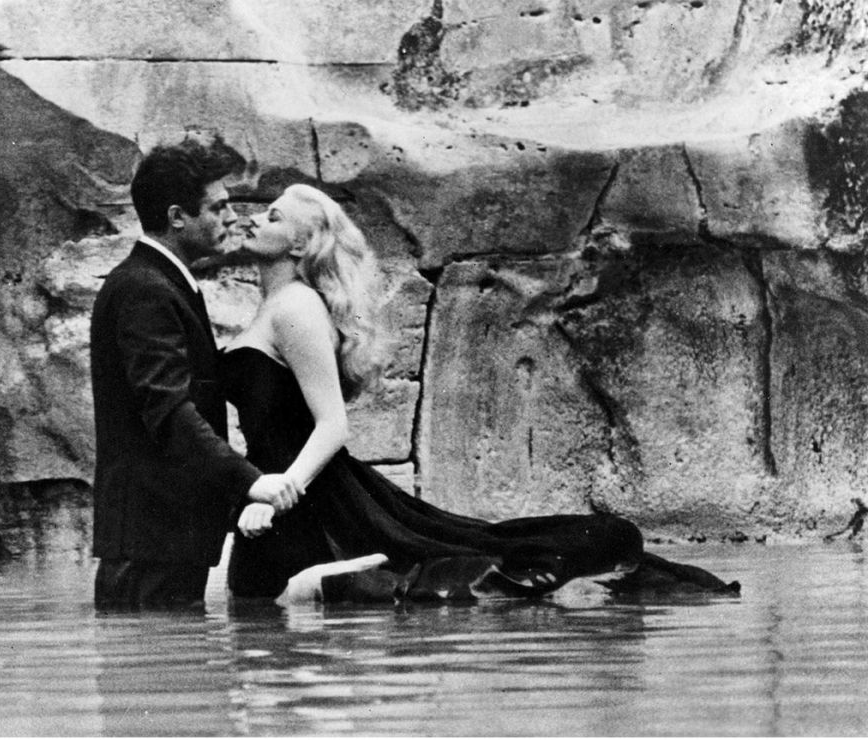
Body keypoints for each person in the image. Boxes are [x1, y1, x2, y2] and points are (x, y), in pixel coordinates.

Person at [221, 183, 738, 602]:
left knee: (287, 596)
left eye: (272, 216)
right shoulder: (276, 305)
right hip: (287, 489)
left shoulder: (295, 307)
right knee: (258, 596)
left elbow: (333, 424)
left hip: (303, 492)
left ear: (299, 245)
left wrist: (282, 493)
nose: (252, 219)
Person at [90, 137, 302, 610]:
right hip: (152, 545)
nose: (232, 218)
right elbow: (169, 411)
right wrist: (249, 481)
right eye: (218, 207)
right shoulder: (147, 289)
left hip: (161, 540)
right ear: (177, 216)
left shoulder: (160, 282)